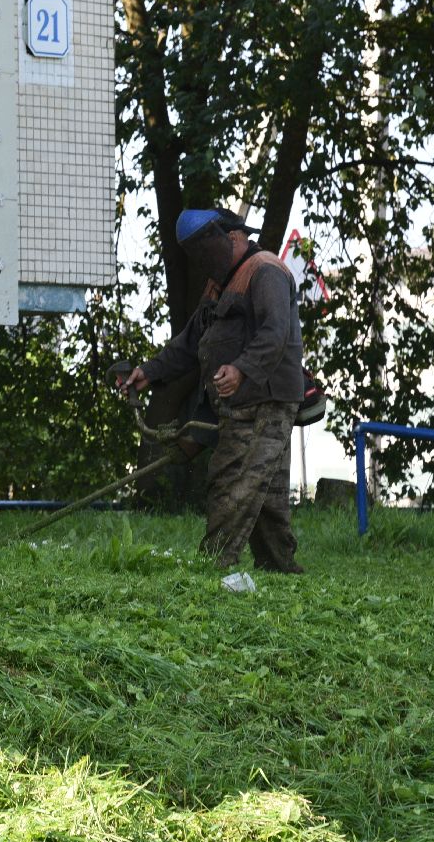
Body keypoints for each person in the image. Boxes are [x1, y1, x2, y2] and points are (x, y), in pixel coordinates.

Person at [123, 208, 307, 573]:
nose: (205, 260)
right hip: (239, 402)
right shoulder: (219, 284)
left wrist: (241, 369)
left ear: (235, 237)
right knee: (263, 487)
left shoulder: (266, 270)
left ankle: (213, 565)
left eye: (208, 250)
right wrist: (150, 371)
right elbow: (192, 341)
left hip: (265, 398)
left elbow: (275, 333)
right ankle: (279, 565)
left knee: (234, 478)